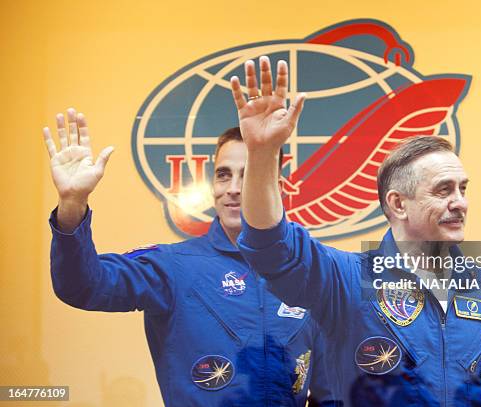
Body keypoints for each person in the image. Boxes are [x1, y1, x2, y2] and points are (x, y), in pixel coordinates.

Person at [230, 56, 481, 406]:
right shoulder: (345, 282)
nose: (460, 202)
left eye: (463, 188)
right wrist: (262, 154)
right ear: (398, 204)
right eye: (443, 190)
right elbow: (271, 246)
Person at [43, 112, 334, 406]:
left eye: (248, 175)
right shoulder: (172, 266)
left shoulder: (311, 277)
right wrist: (72, 204)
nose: (233, 188)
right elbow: (82, 286)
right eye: (223, 174)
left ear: (277, 188)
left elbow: (330, 394)